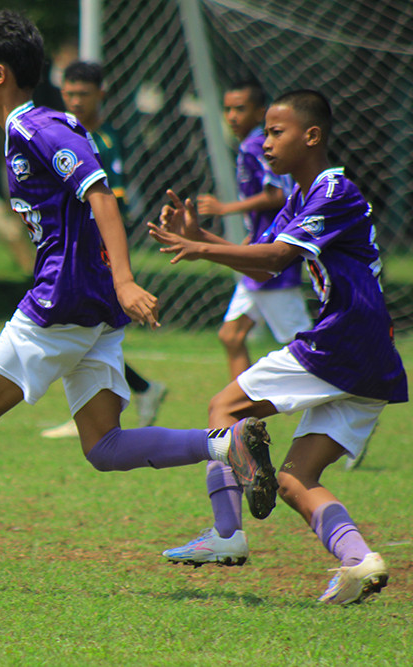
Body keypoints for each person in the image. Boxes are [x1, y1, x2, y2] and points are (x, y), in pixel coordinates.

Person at [0, 10, 280, 591]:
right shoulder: (33, 128)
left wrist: (127, 280)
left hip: (63, 303)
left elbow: (101, 196)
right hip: (91, 308)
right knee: (103, 446)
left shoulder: (35, 127)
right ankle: (225, 442)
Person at [149, 90, 406, 604]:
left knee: (223, 407)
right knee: (295, 478)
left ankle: (226, 533)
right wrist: (206, 239)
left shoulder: (335, 192)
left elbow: (278, 256)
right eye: (264, 132)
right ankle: (360, 561)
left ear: (311, 136)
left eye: (275, 131)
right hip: (373, 356)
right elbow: (263, 264)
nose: (264, 142)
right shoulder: (301, 196)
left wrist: (200, 247)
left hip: (345, 340)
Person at [40, 61, 166, 438]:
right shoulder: (60, 133)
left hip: (95, 251)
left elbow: (114, 197)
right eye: (70, 93)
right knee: (85, 329)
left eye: (84, 94)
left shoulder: (106, 140)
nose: (76, 101)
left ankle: (104, 411)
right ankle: (137, 394)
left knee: (75, 325)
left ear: (101, 95)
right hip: (68, 246)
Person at [197, 79, 310, 382]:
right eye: (227, 109)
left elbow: (277, 195)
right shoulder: (254, 145)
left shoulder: (255, 146)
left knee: (302, 346)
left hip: (273, 259)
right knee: (231, 335)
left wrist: (224, 208)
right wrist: (252, 235)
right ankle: (243, 421)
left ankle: (337, 402)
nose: (232, 116)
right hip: (259, 253)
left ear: (260, 112)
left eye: (240, 109)